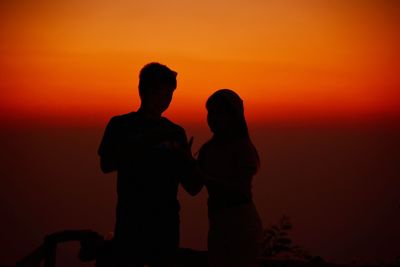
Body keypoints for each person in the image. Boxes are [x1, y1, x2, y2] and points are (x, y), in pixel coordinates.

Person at [98, 62, 202, 267]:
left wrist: (188, 161)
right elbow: (106, 164)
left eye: (169, 95)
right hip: (131, 222)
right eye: (158, 93)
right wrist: (144, 143)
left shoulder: (175, 132)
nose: (164, 100)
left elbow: (193, 186)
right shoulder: (121, 125)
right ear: (142, 91)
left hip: (166, 224)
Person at [197, 89, 263, 267]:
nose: (212, 118)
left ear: (233, 117)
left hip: (240, 223)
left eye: (219, 113)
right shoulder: (207, 149)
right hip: (218, 223)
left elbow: (239, 190)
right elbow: (194, 187)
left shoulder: (242, 148)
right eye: (210, 112)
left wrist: (202, 175)